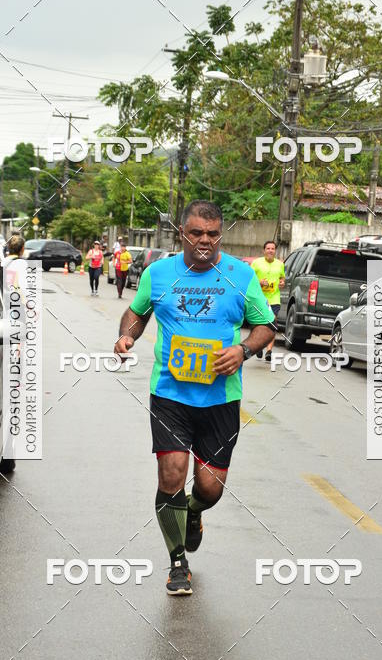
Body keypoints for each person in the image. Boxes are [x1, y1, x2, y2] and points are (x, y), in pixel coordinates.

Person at [114, 200, 275, 595]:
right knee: (171, 475)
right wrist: (127, 335)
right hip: (169, 393)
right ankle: (177, 562)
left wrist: (244, 350)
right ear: (181, 233)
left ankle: (193, 514)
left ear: (221, 233)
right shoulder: (158, 273)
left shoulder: (240, 275)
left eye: (213, 234)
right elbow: (138, 312)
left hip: (221, 399)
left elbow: (266, 326)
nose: (205, 240)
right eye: (197, 233)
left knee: (209, 489)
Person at [250, 241, 285, 361]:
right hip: (258, 298)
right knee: (258, 323)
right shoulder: (256, 263)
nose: (270, 250)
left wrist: (282, 283)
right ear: (264, 250)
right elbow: (249, 279)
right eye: (268, 248)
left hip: (274, 299)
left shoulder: (280, 265)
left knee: (272, 323)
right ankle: (258, 346)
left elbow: (282, 278)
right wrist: (259, 282)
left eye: (273, 249)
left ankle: (269, 351)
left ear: (275, 251)